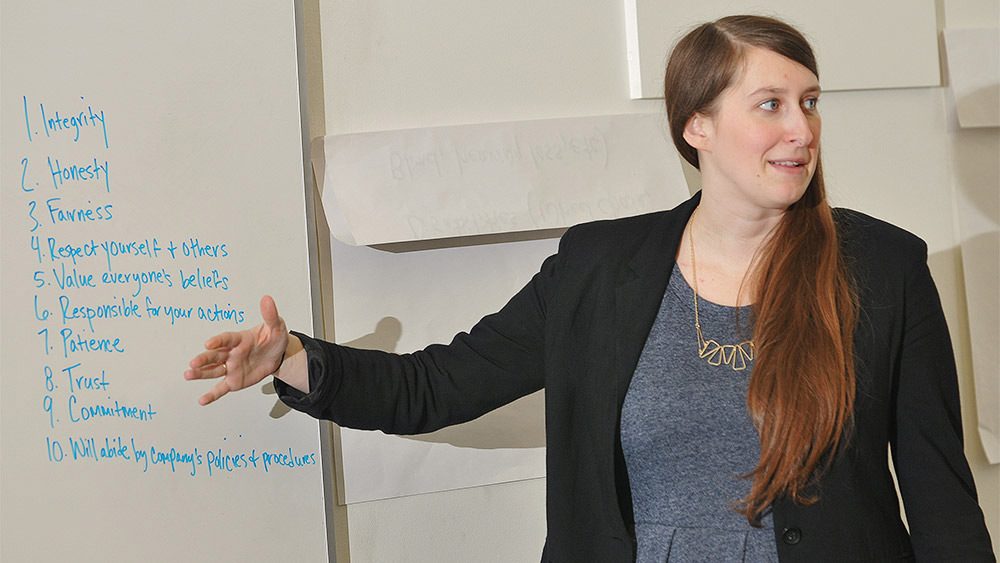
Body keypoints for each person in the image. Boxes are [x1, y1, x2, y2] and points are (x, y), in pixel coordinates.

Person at [184, 14, 995, 562]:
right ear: (697, 126)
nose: (802, 129)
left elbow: (939, 492)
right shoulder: (599, 270)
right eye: (772, 104)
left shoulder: (883, 268)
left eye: (810, 103)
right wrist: (293, 358)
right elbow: (436, 384)